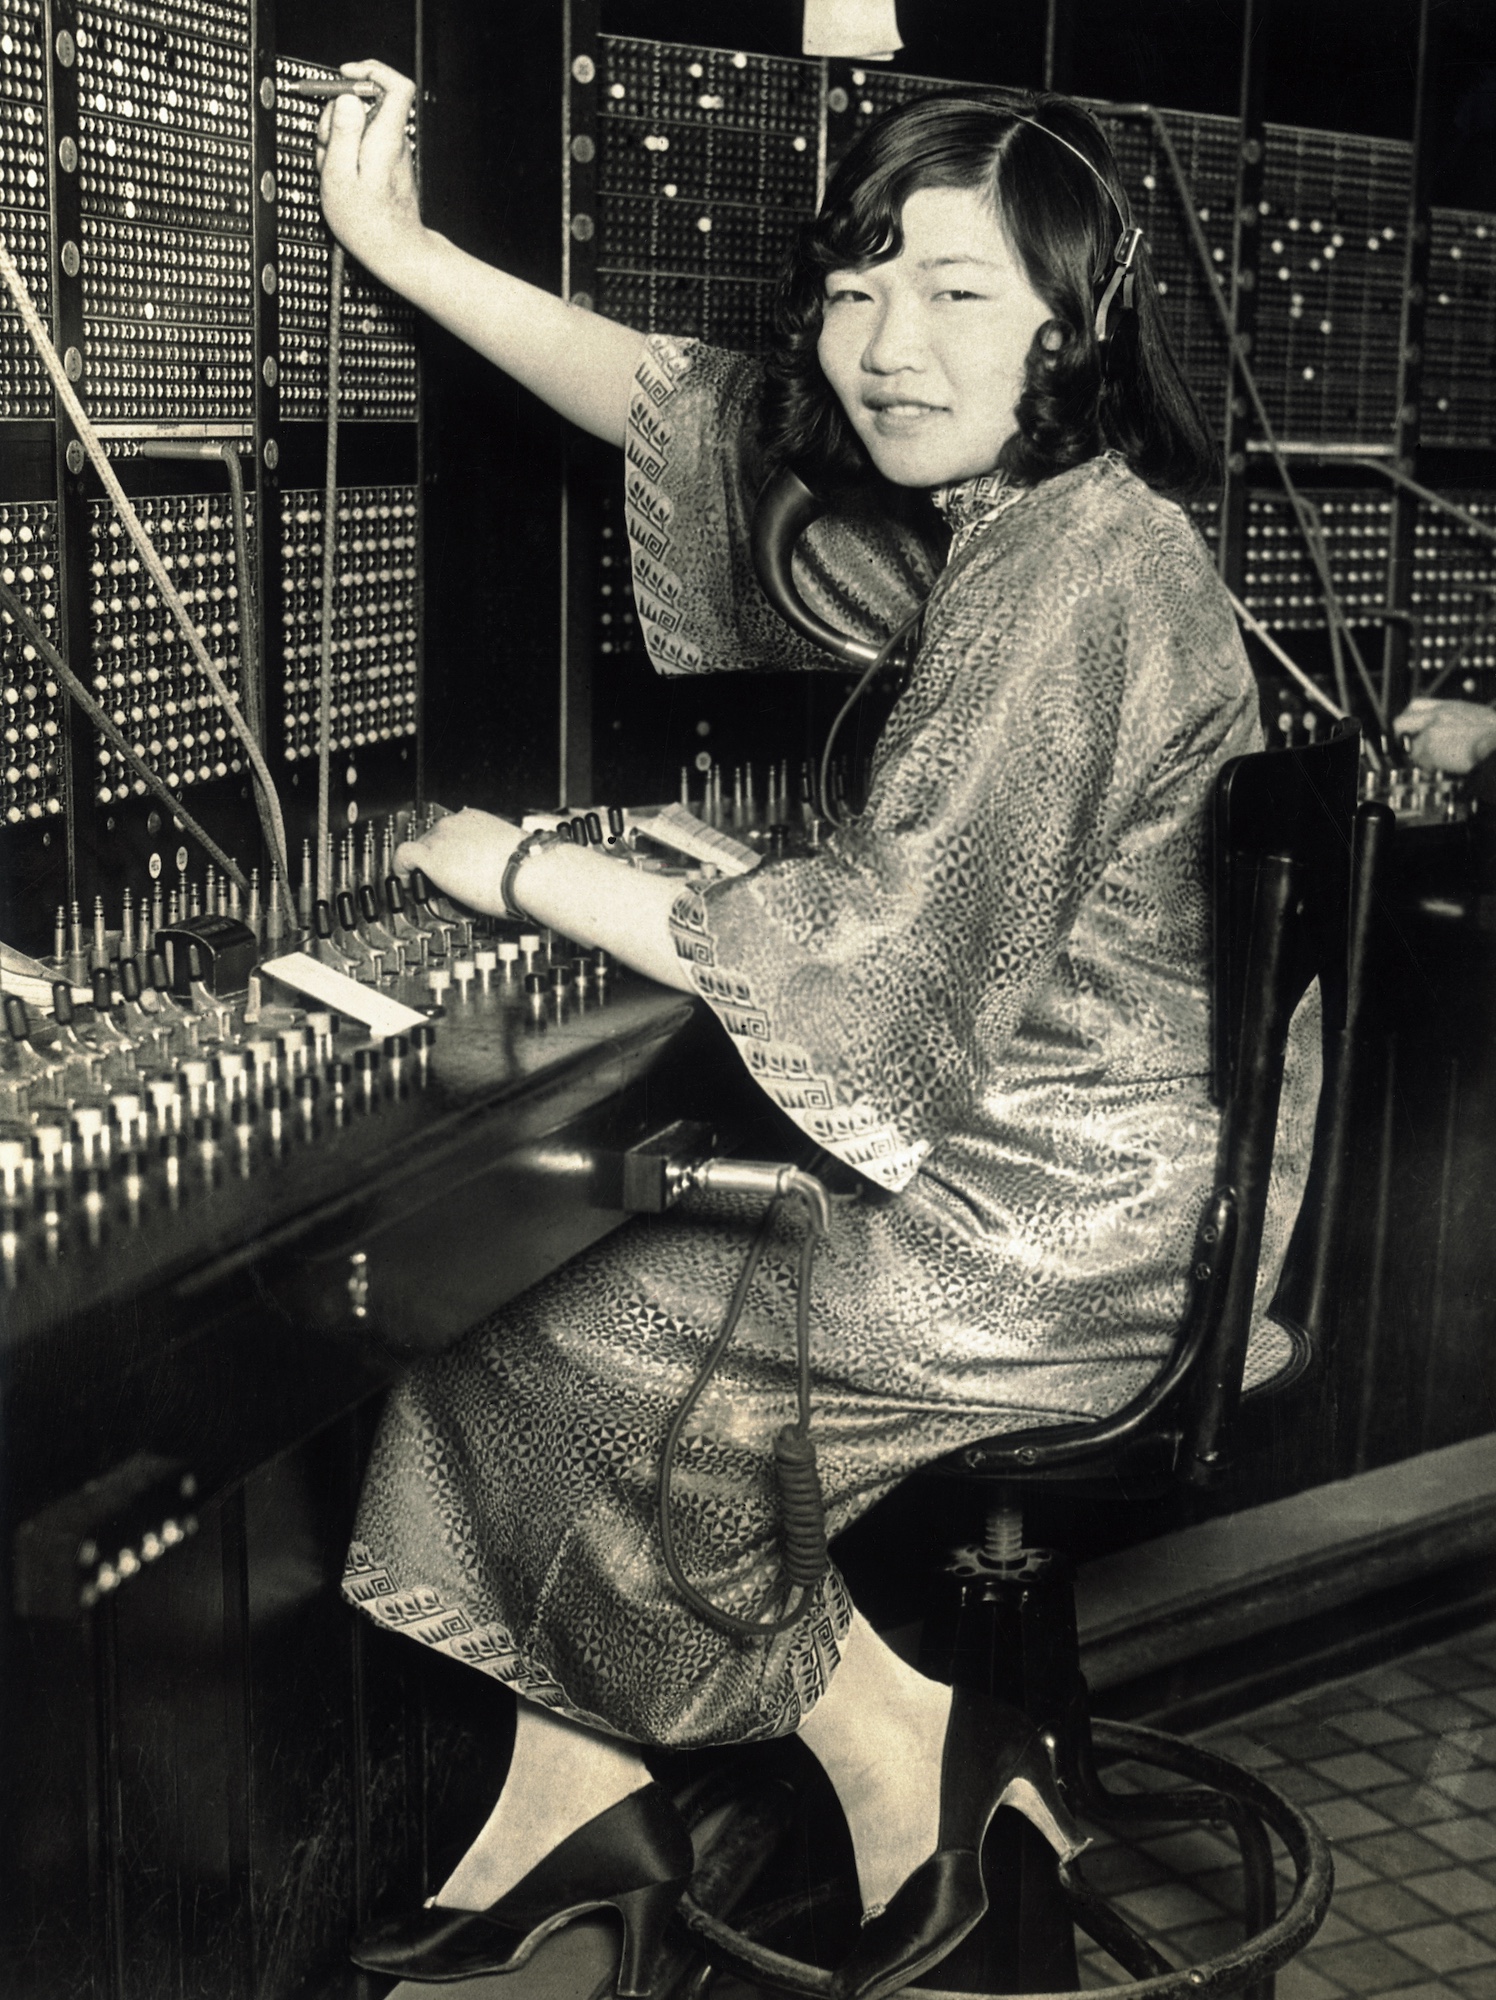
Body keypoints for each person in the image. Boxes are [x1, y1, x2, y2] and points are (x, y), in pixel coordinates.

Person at [317, 62, 1320, 2000]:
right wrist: (404, 250)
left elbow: (869, 957)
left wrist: (517, 869)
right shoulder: (1046, 523)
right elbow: (702, 420)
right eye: (857, 285)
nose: (883, 343)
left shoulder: (1077, 573)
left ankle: (876, 1741)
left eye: (953, 292)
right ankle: (567, 1816)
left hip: (1052, 1237)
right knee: (545, 1327)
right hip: (1082, 1177)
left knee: (533, 1340)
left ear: (1071, 318)